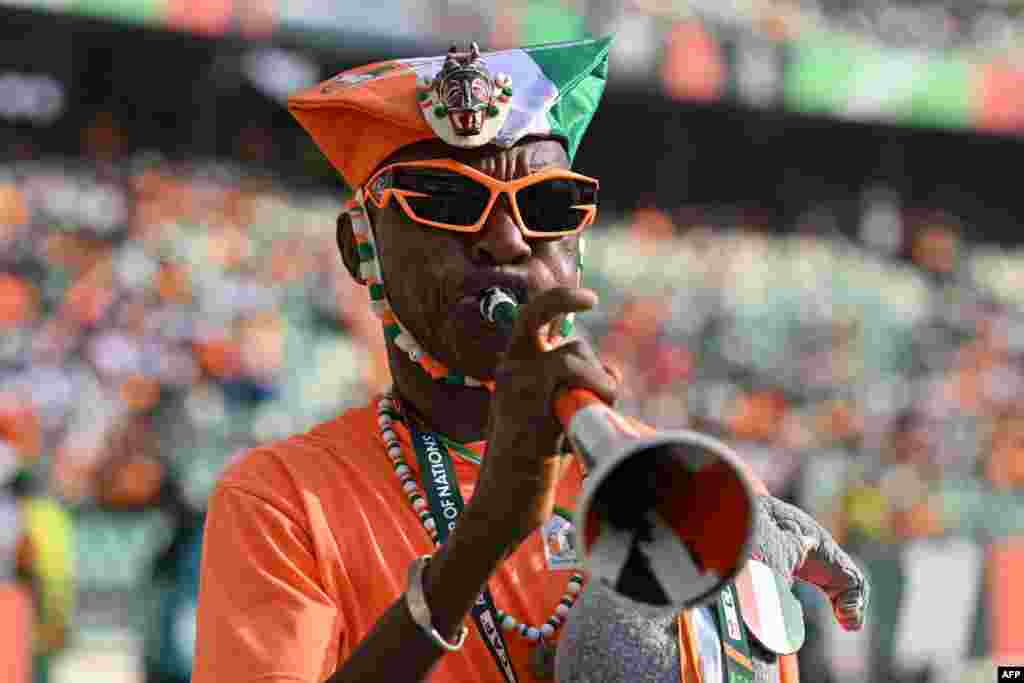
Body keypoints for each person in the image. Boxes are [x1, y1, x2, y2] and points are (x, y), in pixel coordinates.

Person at [192, 37, 867, 683]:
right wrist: (482, 540)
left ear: (579, 243)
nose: (509, 241)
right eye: (447, 202)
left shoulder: (698, 492)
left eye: (548, 205)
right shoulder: (281, 501)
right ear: (358, 245)